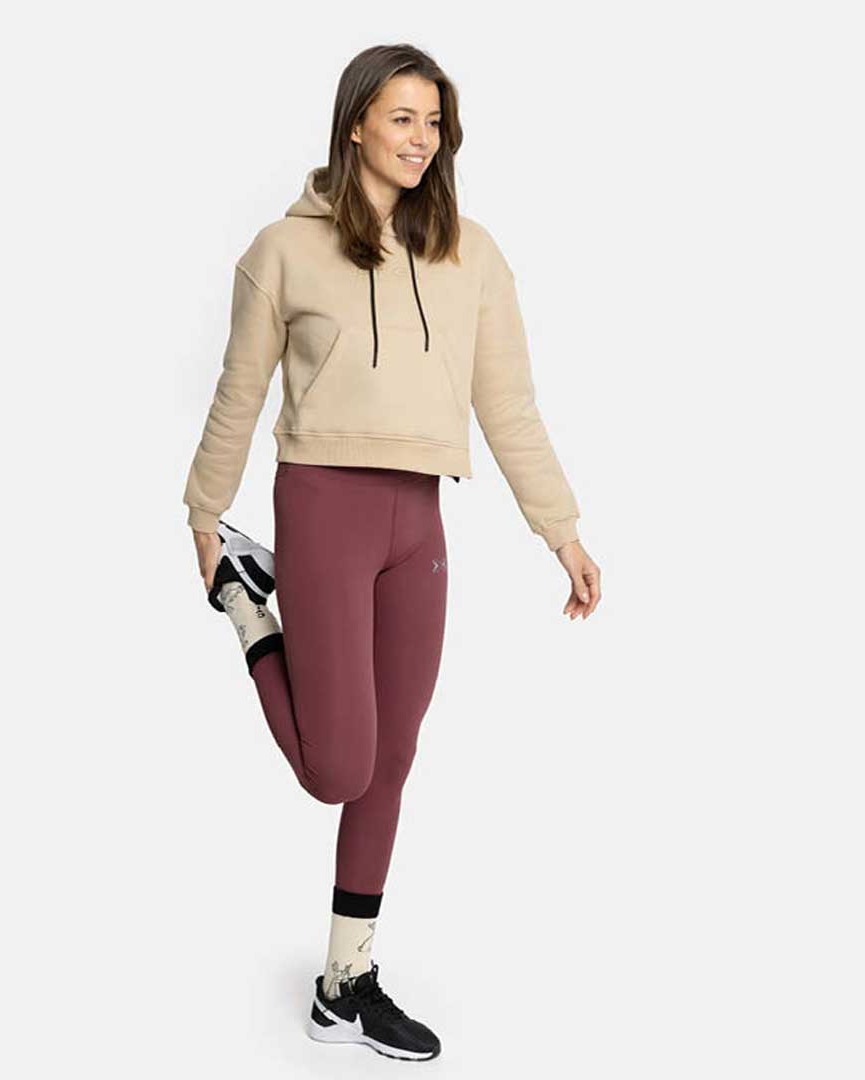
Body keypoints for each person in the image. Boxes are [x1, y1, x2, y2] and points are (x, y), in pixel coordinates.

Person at [183, 43, 602, 1062]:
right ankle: (247, 600)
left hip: (419, 520)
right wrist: (204, 512)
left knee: (392, 760)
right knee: (337, 767)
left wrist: (561, 528)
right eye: (403, 117)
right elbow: (240, 388)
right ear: (357, 124)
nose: (422, 139)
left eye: (434, 122)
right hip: (323, 503)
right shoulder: (284, 251)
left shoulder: (471, 255)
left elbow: (508, 405)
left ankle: (345, 983)